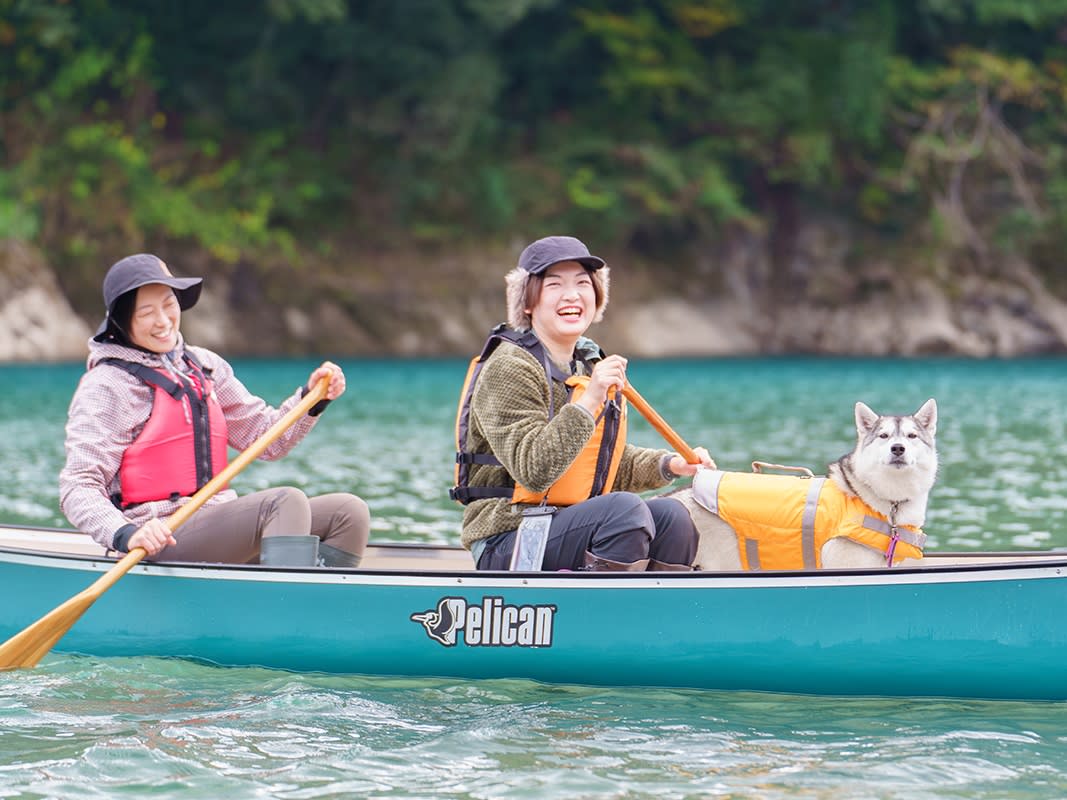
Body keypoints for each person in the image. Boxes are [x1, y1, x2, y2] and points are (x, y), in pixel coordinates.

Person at [59, 253, 370, 567]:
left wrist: (311, 400)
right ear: (122, 322)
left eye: (169, 305)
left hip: (214, 525)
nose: (164, 321)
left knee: (348, 513)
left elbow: (267, 437)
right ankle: (283, 607)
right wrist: (125, 533)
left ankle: (314, 602)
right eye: (146, 313)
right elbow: (78, 486)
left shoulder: (204, 366)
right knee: (285, 503)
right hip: (158, 538)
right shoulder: (107, 385)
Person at [452, 235, 716, 571]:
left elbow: (600, 463)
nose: (572, 295)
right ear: (528, 302)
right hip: (507, 538)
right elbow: (535, 471)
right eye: (554, 285)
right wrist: (590, 400)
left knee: (672, 518)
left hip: (566, 524)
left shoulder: (585, 364)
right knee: (623, 512)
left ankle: (654, 617)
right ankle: (597, 616)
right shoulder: (509, 368)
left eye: (582, 283)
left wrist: (670, 465)